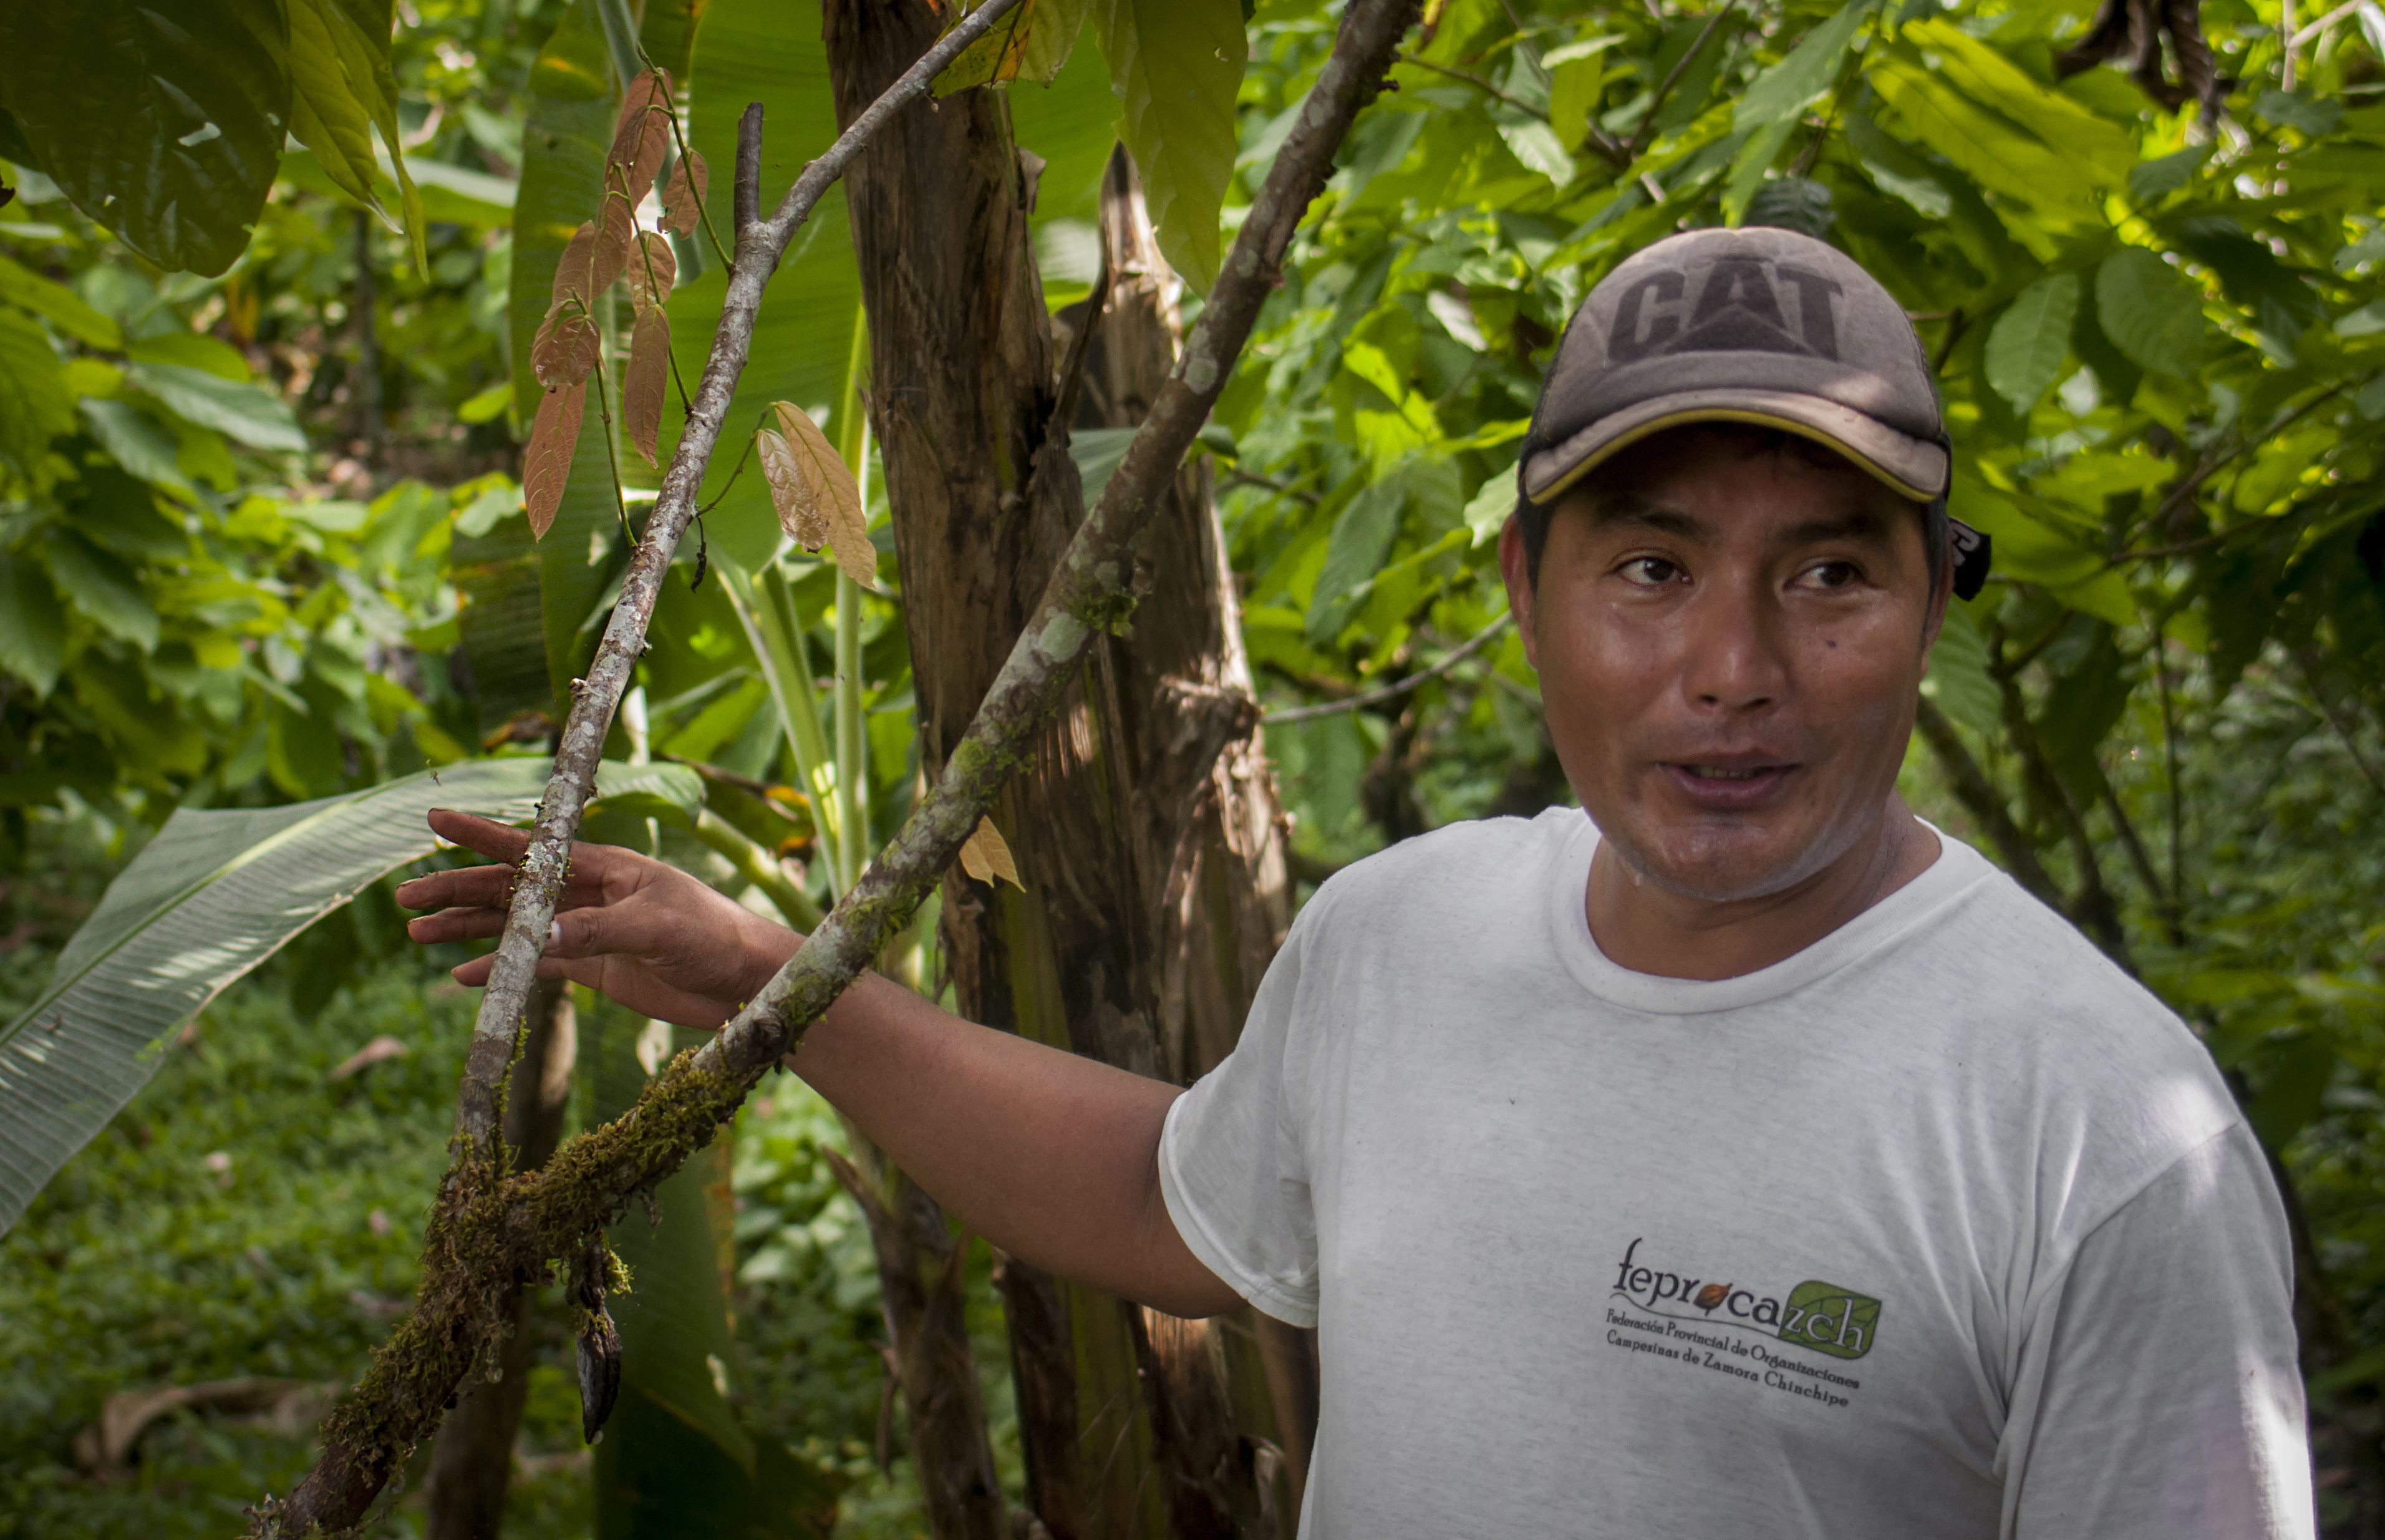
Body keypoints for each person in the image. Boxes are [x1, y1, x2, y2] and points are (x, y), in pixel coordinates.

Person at [402, 227, 2313, 1536]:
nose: (1734, 667)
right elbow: (1177, 1195)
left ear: (1929, 607)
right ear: (1525, 594)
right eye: (1651, 570)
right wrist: (766, 979)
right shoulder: (1405, 934)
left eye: (1830, 573)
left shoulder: (2105, 1135)